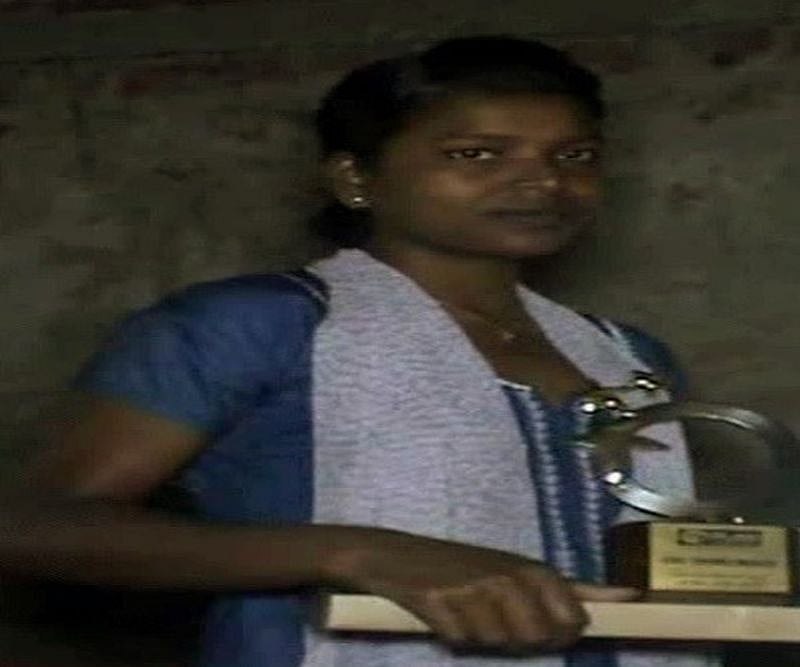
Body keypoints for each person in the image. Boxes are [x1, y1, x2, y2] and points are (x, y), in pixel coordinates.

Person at [0, 36, 717, 667]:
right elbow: (33, 526)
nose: (545, 182)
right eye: (476, 154)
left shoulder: (624, 355)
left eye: (574, 156)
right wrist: (355, 551)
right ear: (354, 179)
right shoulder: (261, 324)